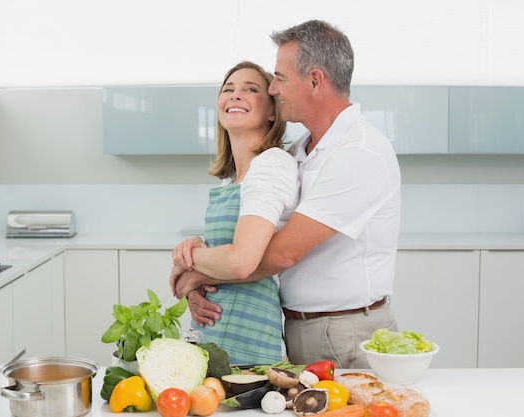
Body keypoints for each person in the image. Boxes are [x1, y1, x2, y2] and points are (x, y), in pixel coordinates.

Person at [171, 20, 401, 369]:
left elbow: (283, 252)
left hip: (344, 331)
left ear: (315, 80)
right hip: (298, 326)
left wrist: (197, 271)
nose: (274, 89)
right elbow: (253, 234)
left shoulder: (358, 152)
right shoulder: (298, 153)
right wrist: (198, 271)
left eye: (279, 78)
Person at [169, 61, 298, 365]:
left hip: (249, 344)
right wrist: (197, 280)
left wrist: (186, 263)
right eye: (228, 89)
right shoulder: (232, 180)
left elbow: (241, 261)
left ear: (271, 111)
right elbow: (228, 252)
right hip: (214, 336)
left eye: (250, 89)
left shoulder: (271, 163)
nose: (235, 95)